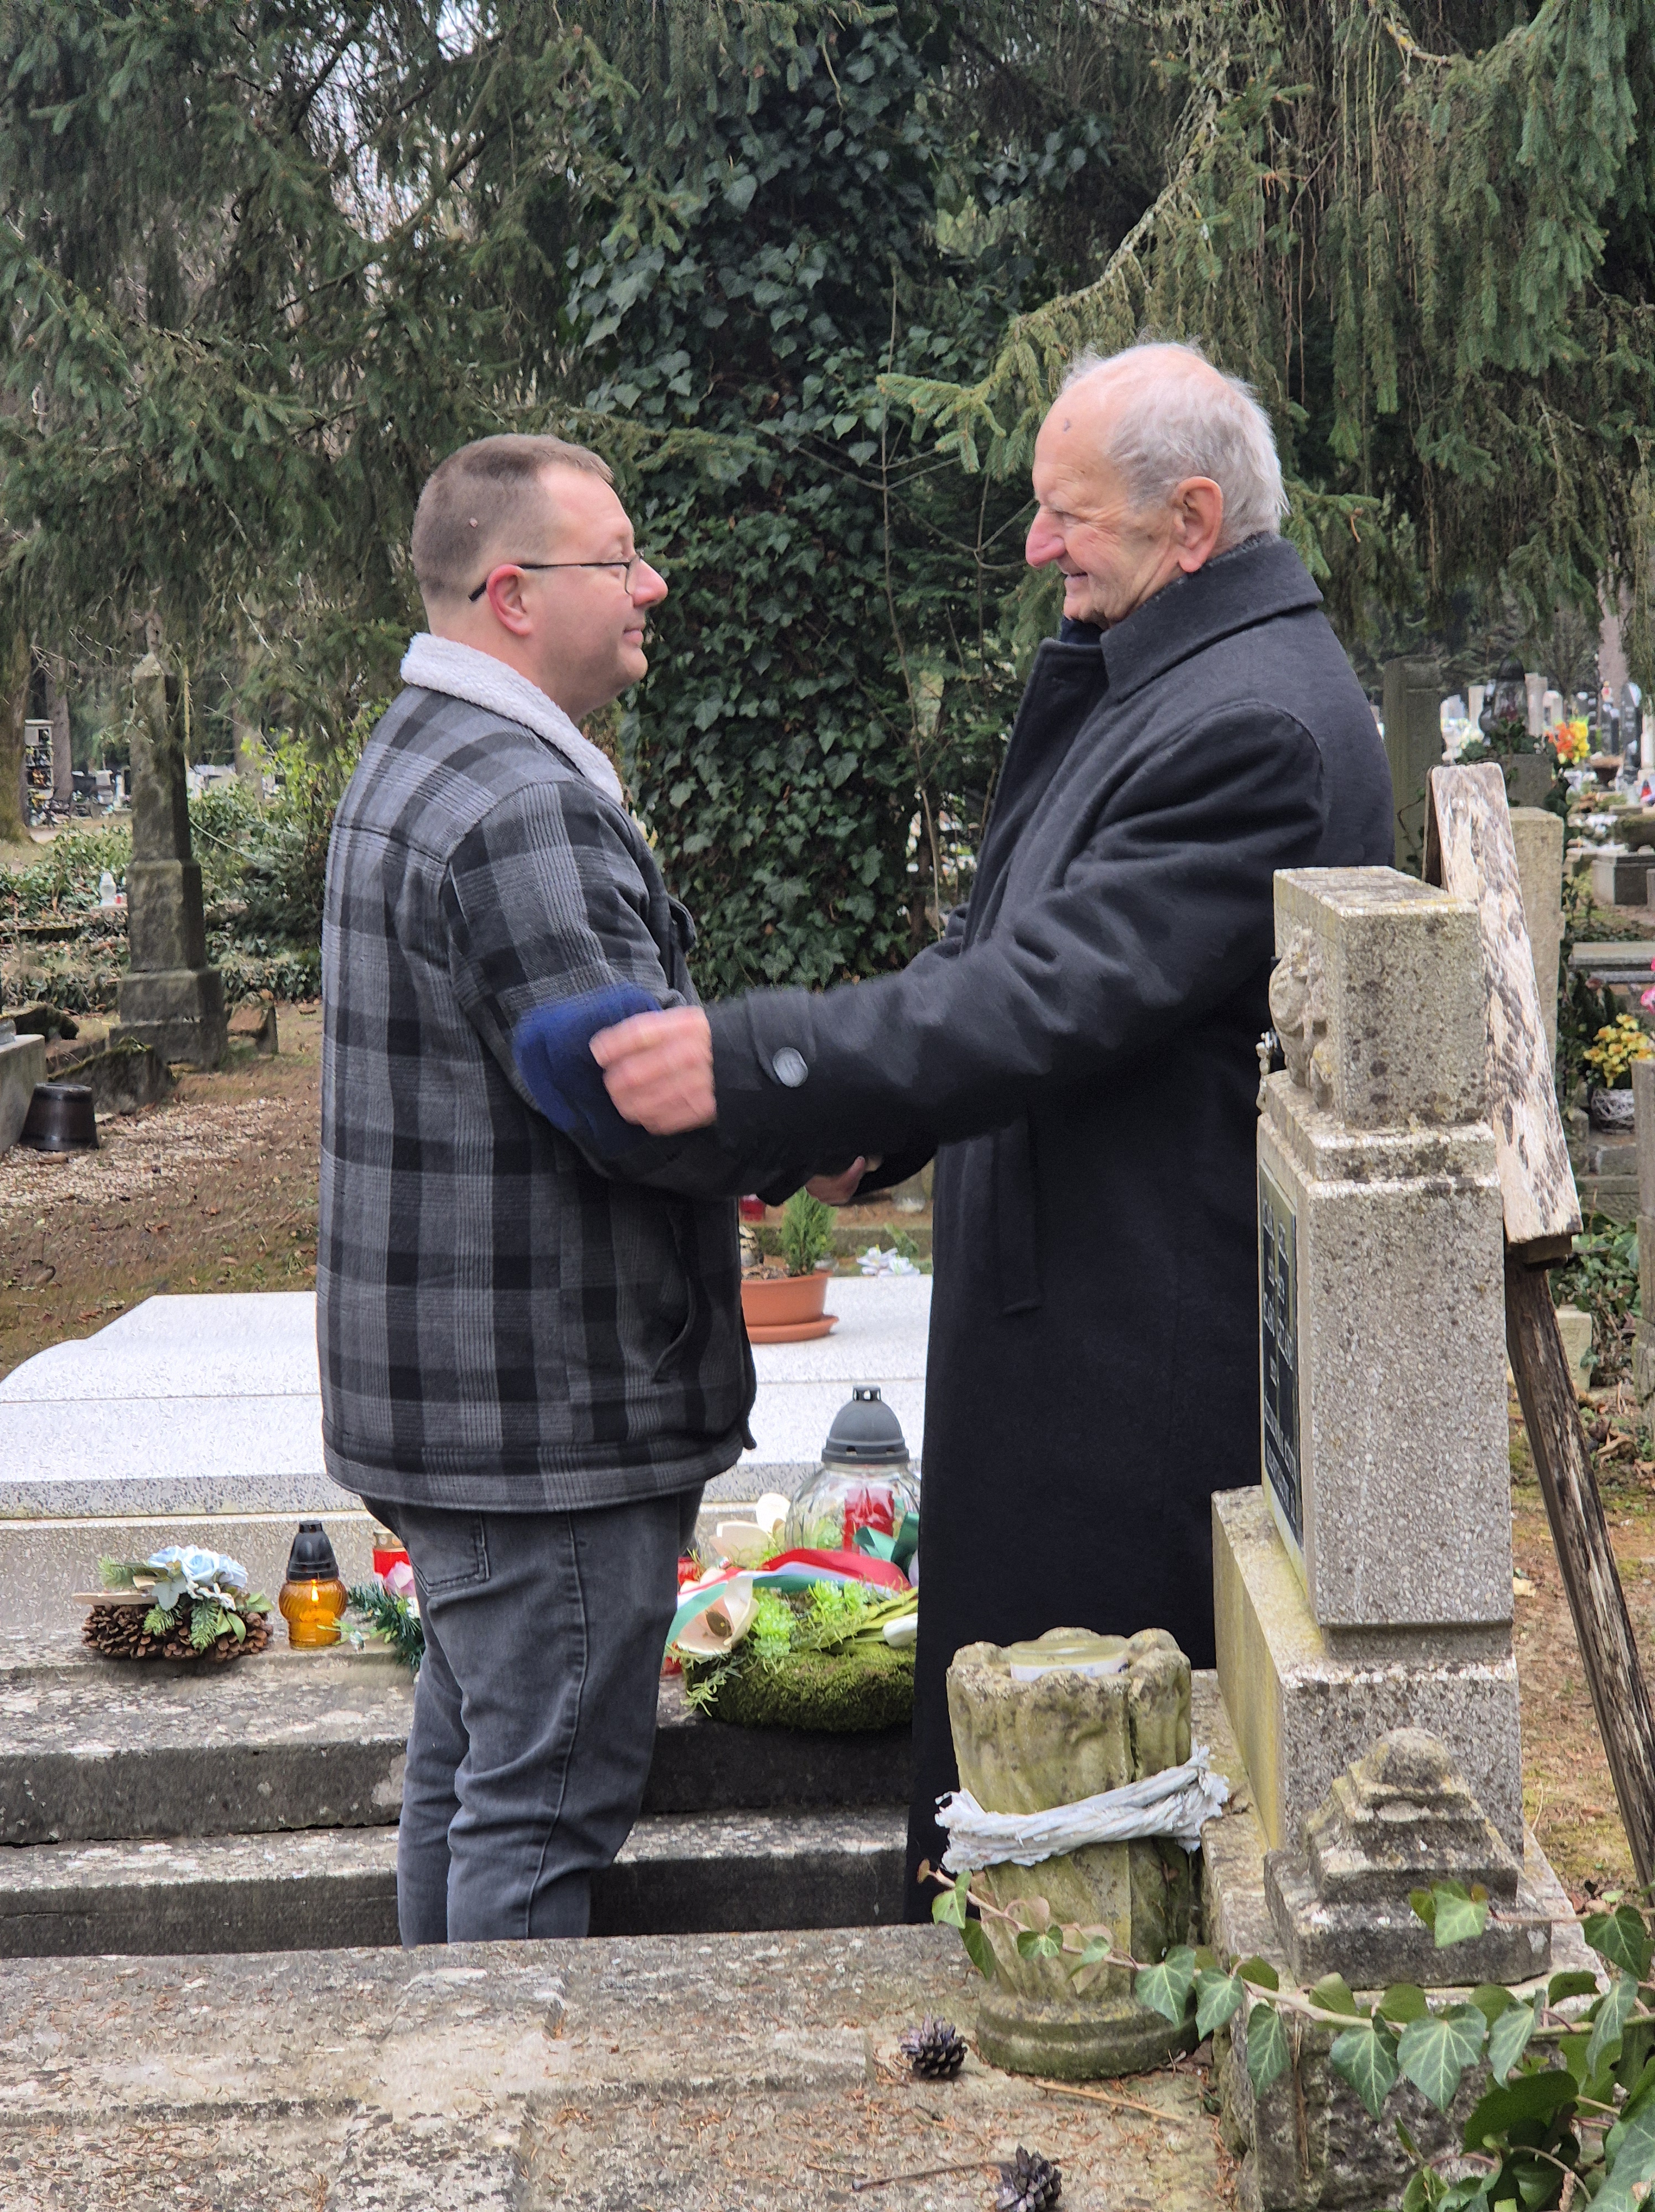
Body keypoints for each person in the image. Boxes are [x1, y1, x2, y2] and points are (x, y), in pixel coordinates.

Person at [587, 340, 1396, 1912]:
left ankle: (1051, 2024)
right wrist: (868, 1133)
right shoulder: (1157, 678)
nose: (1035, 547)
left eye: (1066, 515)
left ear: (1192, 522)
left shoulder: (1253, 726)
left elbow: (1045, 997)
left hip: (1131, 1362)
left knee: (1072, 1805)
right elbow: (996, 950)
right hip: (1074, 1309)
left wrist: (760, 1063)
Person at [316, 432, 799, 1944]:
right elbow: (630, 1097)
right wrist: (813, 1120)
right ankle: (493, 2090)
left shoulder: (420, 752)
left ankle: (438, 2074)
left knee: (469, 1778)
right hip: (550, 1421)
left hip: (463, 1408)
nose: (651, 586)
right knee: (539, 1815)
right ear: (514, 594)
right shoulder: (518, 803)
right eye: (621, 559)